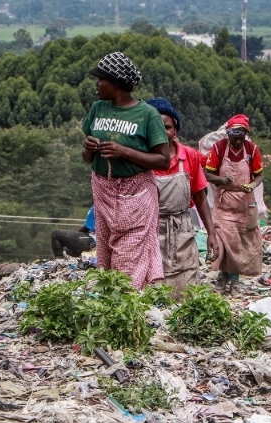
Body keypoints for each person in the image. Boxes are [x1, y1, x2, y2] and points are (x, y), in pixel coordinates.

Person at [81, 52, 170, 289]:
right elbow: (87, 159)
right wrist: (88, 147)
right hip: (104, 192)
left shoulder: (147, 115)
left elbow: (163, 160)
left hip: (136, 195)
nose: (97, 85)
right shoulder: (98, 109)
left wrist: (124, 152)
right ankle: (115, 310)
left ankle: (129, 309)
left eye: (101, 80)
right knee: (107, 256)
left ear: (117, 83)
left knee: (128, 259)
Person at [146, 98, 219, 292]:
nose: (161, 133)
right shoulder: (139, 159)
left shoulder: (190, 156)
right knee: (152, 292)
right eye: (154, 127)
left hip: (181, 231)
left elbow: (200, 197)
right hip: (148, 232)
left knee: (186, 288)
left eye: (167, 127)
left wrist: (212, 234)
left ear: (175, 130)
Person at [204, 114, 264, 293]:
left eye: (241, 138)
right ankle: (223, 275)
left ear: (245, 135)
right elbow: (207, 174)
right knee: (223, 239)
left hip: (244, 204)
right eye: (234, 138)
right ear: (228, 135)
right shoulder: (219, 148)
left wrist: (252, 185)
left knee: (239, 242)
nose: (238, 142)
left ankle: (235, 280)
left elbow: (259, 175)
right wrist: (222, 179)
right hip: (224, 203)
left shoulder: (252, 150)